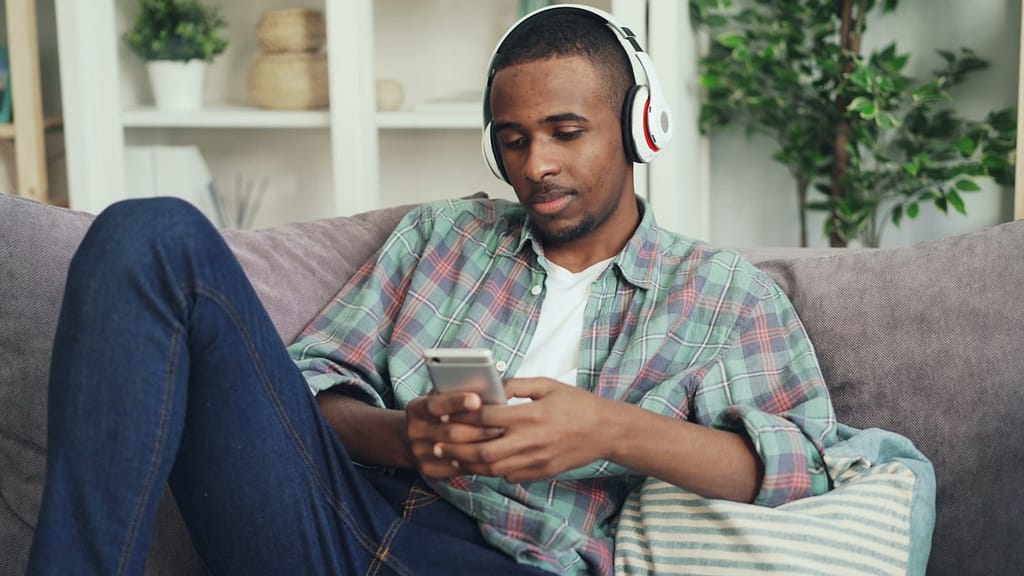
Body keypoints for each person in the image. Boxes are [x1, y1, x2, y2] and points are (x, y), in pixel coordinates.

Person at [28, 5, 836, 576]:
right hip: (336, 523)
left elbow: (807, 468)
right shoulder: (444, 238)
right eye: (513, 141)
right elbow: (310, 392)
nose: (536, 165)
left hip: (521, 563)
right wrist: (404, 436)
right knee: (151, 230)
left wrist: (609, 431)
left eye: (566, 132)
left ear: (638, 130)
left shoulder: (724, 295)